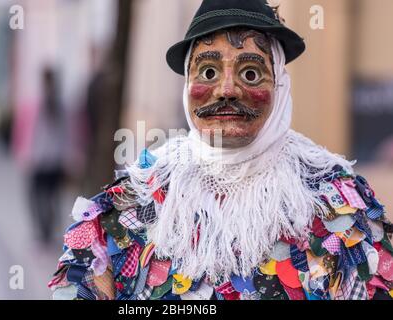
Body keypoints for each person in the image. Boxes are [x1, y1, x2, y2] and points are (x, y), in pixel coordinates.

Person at [49, 0, 393, 300]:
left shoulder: (341, 207)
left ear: (280, 85)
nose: (227, 90)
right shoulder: (124, 209)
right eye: (209, 71)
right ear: (187, 84)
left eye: (251, 73)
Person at [28, 67, 66, 246]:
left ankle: (44, 231)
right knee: (51, 196)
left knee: (39, 196)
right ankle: (48, 230)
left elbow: (33, 133)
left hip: (41, 158)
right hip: (55, 158)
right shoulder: (61, 102)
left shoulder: (40, 103)